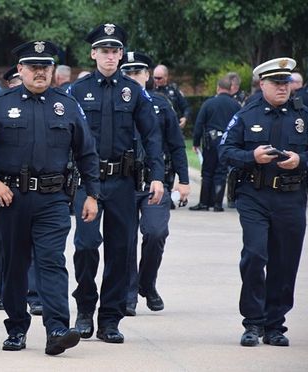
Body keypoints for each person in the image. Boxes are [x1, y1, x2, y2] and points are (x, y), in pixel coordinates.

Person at [0, 40, 100, 355]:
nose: (40, 73)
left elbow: (87, 152)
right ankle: (16, 328)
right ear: (21, 70)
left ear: (52, 70)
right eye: (34, 67)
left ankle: (56, 328)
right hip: (10, 198)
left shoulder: (67, 105)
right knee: (14, 265)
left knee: (52, 261)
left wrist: (93, 194)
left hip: (53, 199)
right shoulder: (0, 103)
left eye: (45, 67)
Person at [67, 23, 164, 344]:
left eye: (115, 51)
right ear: (93, 53)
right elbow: (63, 136)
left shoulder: (134, 91)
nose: (110, 56)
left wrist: (158, 177)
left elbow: (151, 136)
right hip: (87, 183)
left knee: (120, 251)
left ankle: (110, 318)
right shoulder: (77, 92)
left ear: (121, 55)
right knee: (85, 245)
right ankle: (84, 309)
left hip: (123, 181)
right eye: (104, 51)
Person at [219, 57, 308, 347]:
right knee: (255, 255)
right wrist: (251, 157)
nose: (283, 87)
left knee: (285, 262)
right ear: (262, 84)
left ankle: (275, 325)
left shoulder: (304, 116)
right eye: (276, 82)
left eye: (286, 82)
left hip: (291, 196)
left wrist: (301, 161)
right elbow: (225, 150)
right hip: (254, 196)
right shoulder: (247, 115)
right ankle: (253, 322)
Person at [119, 51, 190, 316]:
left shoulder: (161, 104)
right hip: (124, 182)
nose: (133, 78)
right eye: (128, 73)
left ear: (148, 76)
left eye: (138, 73)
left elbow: (176, 145)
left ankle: (147, 283)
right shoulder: (114, 104)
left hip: (154, 181)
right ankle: (128, 295)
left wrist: (183, 180)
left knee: (156, 232)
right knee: (125, 240)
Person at [0, 65, 44, 315]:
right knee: (2, 244)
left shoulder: (41, 108)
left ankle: (34, 295)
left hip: (37, 194)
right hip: (3, 189)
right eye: (14, 82)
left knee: (35, 247)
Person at [190, 75, 241, 211]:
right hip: (227, 143)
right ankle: (218, 204)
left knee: (207, 172)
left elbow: (199, 124)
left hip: (210, 143)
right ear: (230, 89)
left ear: (218, 87)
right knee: (221, 172)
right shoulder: (236, 105)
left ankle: (204, 203)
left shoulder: (209, 103)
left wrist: (195, 142)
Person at [153, 64, 191, 128]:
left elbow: (186, 107)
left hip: (173, 126)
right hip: (156, 127)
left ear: (166, 77)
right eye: (155, 78)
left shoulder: (174, 90)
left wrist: (185, 118)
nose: (156, 80)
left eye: (159, 78)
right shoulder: (150, 90)